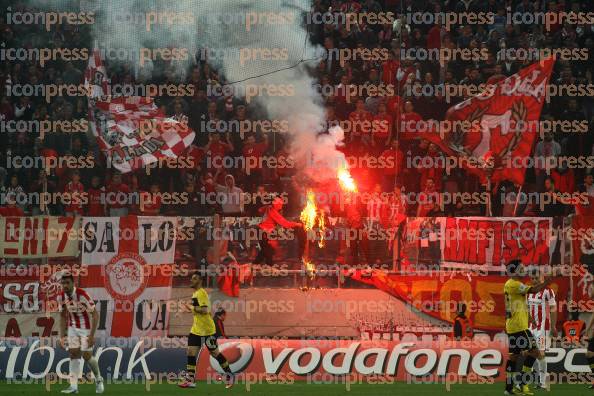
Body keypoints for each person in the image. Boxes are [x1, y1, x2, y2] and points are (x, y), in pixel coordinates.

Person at [503, 260, 553, 396]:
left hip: (513, 326)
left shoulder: (508, 284)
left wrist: (529, 318)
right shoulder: (515, 285)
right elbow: (534, 289)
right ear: (514, 271)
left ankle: (509, 388)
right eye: (521, 268)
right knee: (536, 353)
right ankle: (523, 383)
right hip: (520, 327)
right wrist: (547, 282)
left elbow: (513, 306)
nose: (524, 269)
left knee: (513, 357)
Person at [178, 273, 234, 389]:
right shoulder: (195, 294)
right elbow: (199, 311)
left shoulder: (201, 293)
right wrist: (186, 309)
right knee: (190, 352)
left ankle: (229, 374)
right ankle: (190, 380)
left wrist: (190, 307)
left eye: (194, 279)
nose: (191, 280)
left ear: (200, 281)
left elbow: (204, 310)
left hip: (207, 331)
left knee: (215, 354)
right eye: (191, 278)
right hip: (196, 330)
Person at [57, 273, 104, 394]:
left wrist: (91, 335)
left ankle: (98, 379)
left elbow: (95, 315)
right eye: (63, 283)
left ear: (73, 283)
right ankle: (73, 387)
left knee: (87, 356)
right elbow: (62, 316)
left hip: (85, 329)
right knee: (73, 354)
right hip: (72, 327)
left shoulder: (82, 295)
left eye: (67, 283)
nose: (65, 285)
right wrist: (62, 336)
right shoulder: (61, 297)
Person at [527, 267, 558, 390]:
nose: (534, 280)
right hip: (530, 328)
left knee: (540, 353)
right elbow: (526, 308)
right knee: (531, 352)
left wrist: (554, 326)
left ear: (542, 278)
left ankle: (543, 383)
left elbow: (553, 309)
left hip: (543, 328)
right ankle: (544, 377)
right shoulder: (529, 291)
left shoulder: (548, 291)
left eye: (537, 278)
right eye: (532, 278)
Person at [255, 197, 301, 266]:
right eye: (280, 205)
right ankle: (268, 265)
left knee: (266, 249)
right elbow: (285, 224)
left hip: (262, 231)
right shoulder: (273, 211)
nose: (281, 206)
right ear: (277, 205)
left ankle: (255, 263)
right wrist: (297, 224)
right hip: (262, 231)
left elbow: (260, 210)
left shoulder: (268, 208)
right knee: (268, 249)